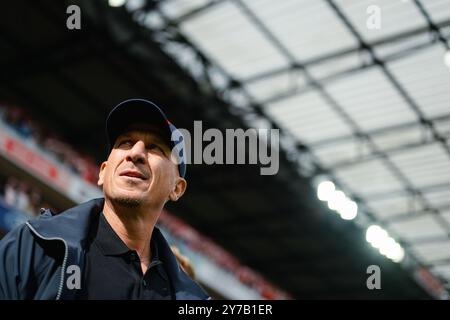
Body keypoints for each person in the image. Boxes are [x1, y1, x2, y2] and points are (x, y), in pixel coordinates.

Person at [0, 98, 209, 300]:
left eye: (155, 147)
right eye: (125, 142)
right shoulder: (34, 245)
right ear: (103, 172)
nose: (135, 153)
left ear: (177, 188)